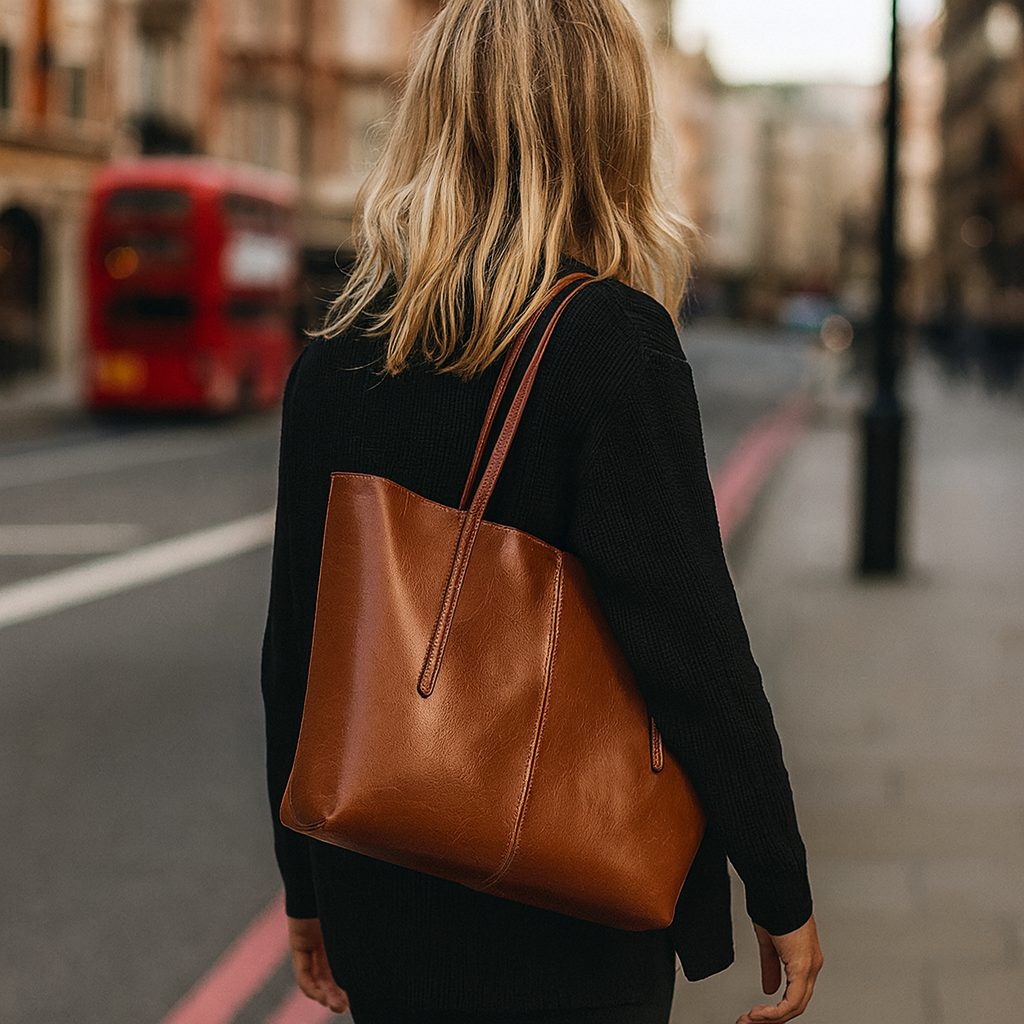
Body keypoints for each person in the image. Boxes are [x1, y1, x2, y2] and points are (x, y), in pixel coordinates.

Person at [261, 1, 823, 1021]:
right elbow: (690, 642)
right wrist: (776, 880)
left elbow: (295, 650)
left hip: (381, 869)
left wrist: (305, 885)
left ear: (432, 120)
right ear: (604, 126)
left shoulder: (336, 358)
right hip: (571, 886)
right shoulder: (612, 342)